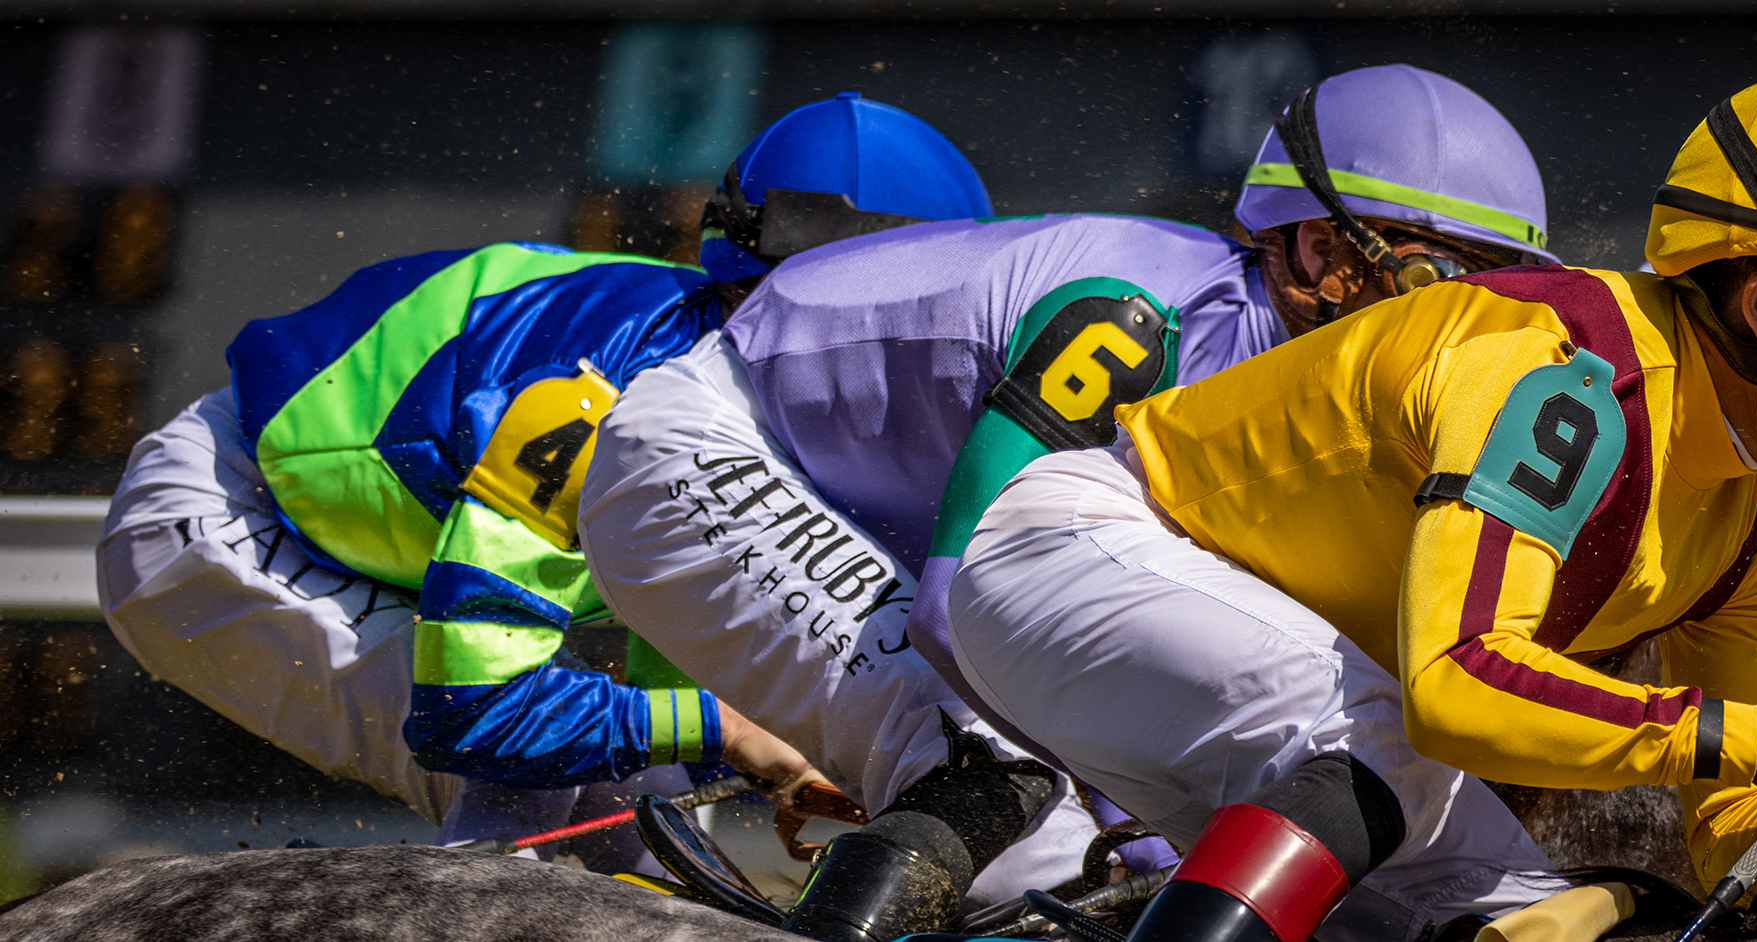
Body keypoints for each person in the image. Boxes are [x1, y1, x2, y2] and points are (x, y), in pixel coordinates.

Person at [943, 69, 1757, 942]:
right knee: (1384, 749)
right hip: (1076, 548)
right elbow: (1456, 688)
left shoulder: (1747, 534)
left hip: (1281, 663)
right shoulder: (1562, 379)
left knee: (1535, 923)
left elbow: (1728, 827)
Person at [576, 63, 1554, 941]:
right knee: (1014, 809)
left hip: (848, 499)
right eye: (1438, 273)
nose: (1468, 322)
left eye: (1497, 290)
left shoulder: (1306, 391)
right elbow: (960, 612)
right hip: (701, 440)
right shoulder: (1144, 324)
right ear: (1312, 250)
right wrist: (1131, 830)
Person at [94, 92, 996, 874]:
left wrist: (766, 748)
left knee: (651, 853)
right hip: (224, 520)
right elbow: (476, 713)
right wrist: (734, 733)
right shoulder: (604, 412)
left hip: (357, 529)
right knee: (550, 795)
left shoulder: (728, 356)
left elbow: (681, 617)